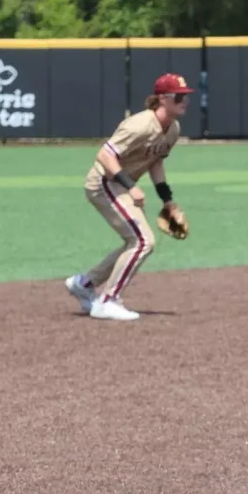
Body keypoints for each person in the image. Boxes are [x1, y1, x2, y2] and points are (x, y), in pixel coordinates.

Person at [64, 73, 193, 321]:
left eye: (186, 96)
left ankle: (85, 283)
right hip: (104, 183)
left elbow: (155, 163)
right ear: (163, 99)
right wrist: (130, 186)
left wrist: (167, 199)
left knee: (134, 241)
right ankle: (107, 300)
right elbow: (104, 155)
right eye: (179, 96)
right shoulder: (140, 125)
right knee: (144, 241)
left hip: (118, 185)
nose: (184, 100)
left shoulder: (173, 129)